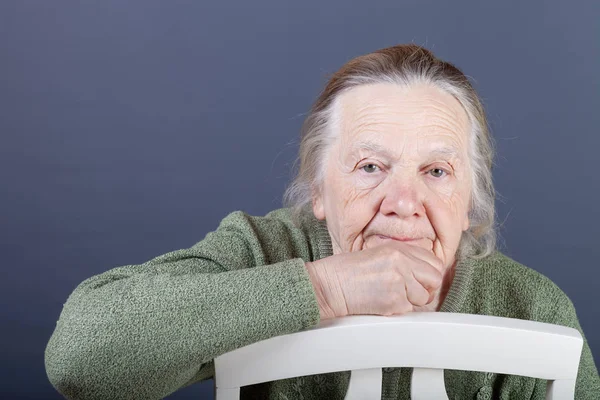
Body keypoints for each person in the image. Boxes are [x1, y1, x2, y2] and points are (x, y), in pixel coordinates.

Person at [45, 44, 599, 400]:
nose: (402, 202)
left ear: (471, 197)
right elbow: (79, 359)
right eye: (370, 166)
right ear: (317, 189)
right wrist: (326, 287)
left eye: (435, 170)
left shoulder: (533, 308)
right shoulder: (264, 250)